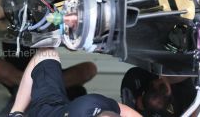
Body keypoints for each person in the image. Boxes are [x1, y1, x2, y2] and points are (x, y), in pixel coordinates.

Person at [8, 48, 141, 117]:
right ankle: (15, 112)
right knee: (46, 53)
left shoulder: (90, 105)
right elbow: (123, 110)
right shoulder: (89, 104)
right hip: (49, 107)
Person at [0, 43, 97, 100]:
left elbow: (72, 47)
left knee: (90, 68)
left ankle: (41, 91)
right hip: (20, 77)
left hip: (50, 76)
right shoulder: (7, 13)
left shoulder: (48, 13)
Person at [120, 66, 197, 116]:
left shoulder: (134, 79)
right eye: (159, 102)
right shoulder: (187, 94)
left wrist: (166, 79)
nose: (156, 101)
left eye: (155, 96)